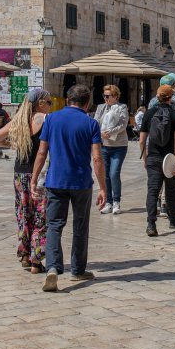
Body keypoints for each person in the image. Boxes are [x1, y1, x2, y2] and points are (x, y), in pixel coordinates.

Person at [31, 84, 106, 293]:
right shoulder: (91, 123)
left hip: (55, 181)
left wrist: (34, 178)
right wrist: (103, 187)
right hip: (81, 182)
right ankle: (77, 270)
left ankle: (53, 267)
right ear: (87, 103)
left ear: (66, 100)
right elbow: (97, 158)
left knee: (54, 225)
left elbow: (41, 152)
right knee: (80, 226)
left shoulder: (52, 119)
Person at [0, 89, 52, 274]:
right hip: (38, 174)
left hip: (19, 174)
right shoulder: (45, 119)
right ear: (40, 103)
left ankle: (24, 255)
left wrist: (13, 144)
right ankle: (36, 260)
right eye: (49, 102)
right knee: (41, 217)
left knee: (24, 214)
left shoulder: (19, 120)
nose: (51, 106)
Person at [139, 84, 175, 237]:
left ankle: (151, 224)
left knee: (153, 191)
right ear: (171, 97)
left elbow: (141, 140)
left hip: (153, 157)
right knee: (171, 190)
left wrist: (145, 157)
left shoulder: (149, 113)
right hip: (170, 157)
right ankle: (173, 220)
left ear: (157, 96)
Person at [94, 85, 129, 215]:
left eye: (108, 96)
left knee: (114, 173)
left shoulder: (122, 107)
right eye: (104, 95)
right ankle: (108, 202)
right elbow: (96, 122)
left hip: (119, 146)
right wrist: (100, 133)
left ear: (115, 96)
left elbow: (123, 124)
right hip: (104, 145)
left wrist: (110, 132)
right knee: (106, 175)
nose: (105, 98)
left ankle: (116, 201)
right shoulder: (101, 108)